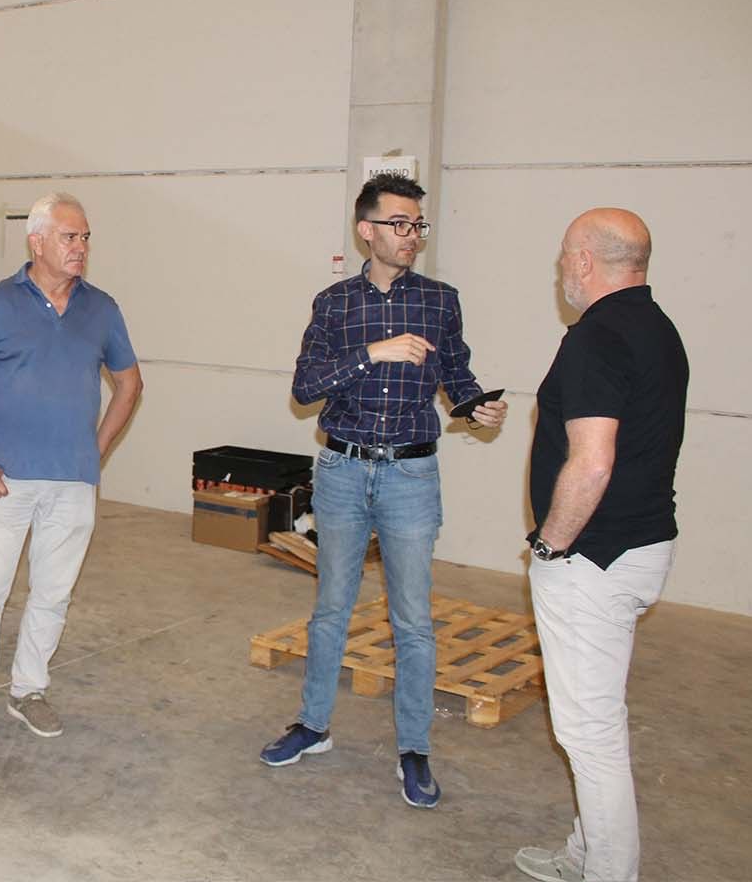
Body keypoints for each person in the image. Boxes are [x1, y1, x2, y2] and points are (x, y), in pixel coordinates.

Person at [260, 173, 508, 808]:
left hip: (410, 476)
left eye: (417, 224)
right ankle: (312, 725)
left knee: (413, 621)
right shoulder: (334, 304)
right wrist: (374, 352)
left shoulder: (441, 301)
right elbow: (305, 388)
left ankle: (414, 750)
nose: (411, 235)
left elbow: (456, 374)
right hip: (342, 471)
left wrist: (477, 406)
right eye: (399, 224)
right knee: (331, 609)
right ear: (366, 230)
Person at [0, 191, 142, 751]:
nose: (81, 247)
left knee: (53, 594)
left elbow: (129, 384)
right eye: (70, 237)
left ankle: (28, 690)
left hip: (72, 483)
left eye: (85, 237)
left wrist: (94, 451)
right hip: (6, 481)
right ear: (37, 242)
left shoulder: (102, 309)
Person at [514, 209, 687, 882]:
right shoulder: (658, 329)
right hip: (642, 545)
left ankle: (607, 872)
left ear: (585, 261)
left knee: (590, 737)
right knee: (598, 719)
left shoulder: (595, 337)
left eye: (565, 255)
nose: (560, 268)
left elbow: (591, 463)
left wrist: (551, 547)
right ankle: (583, 853)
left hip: (592, 559)